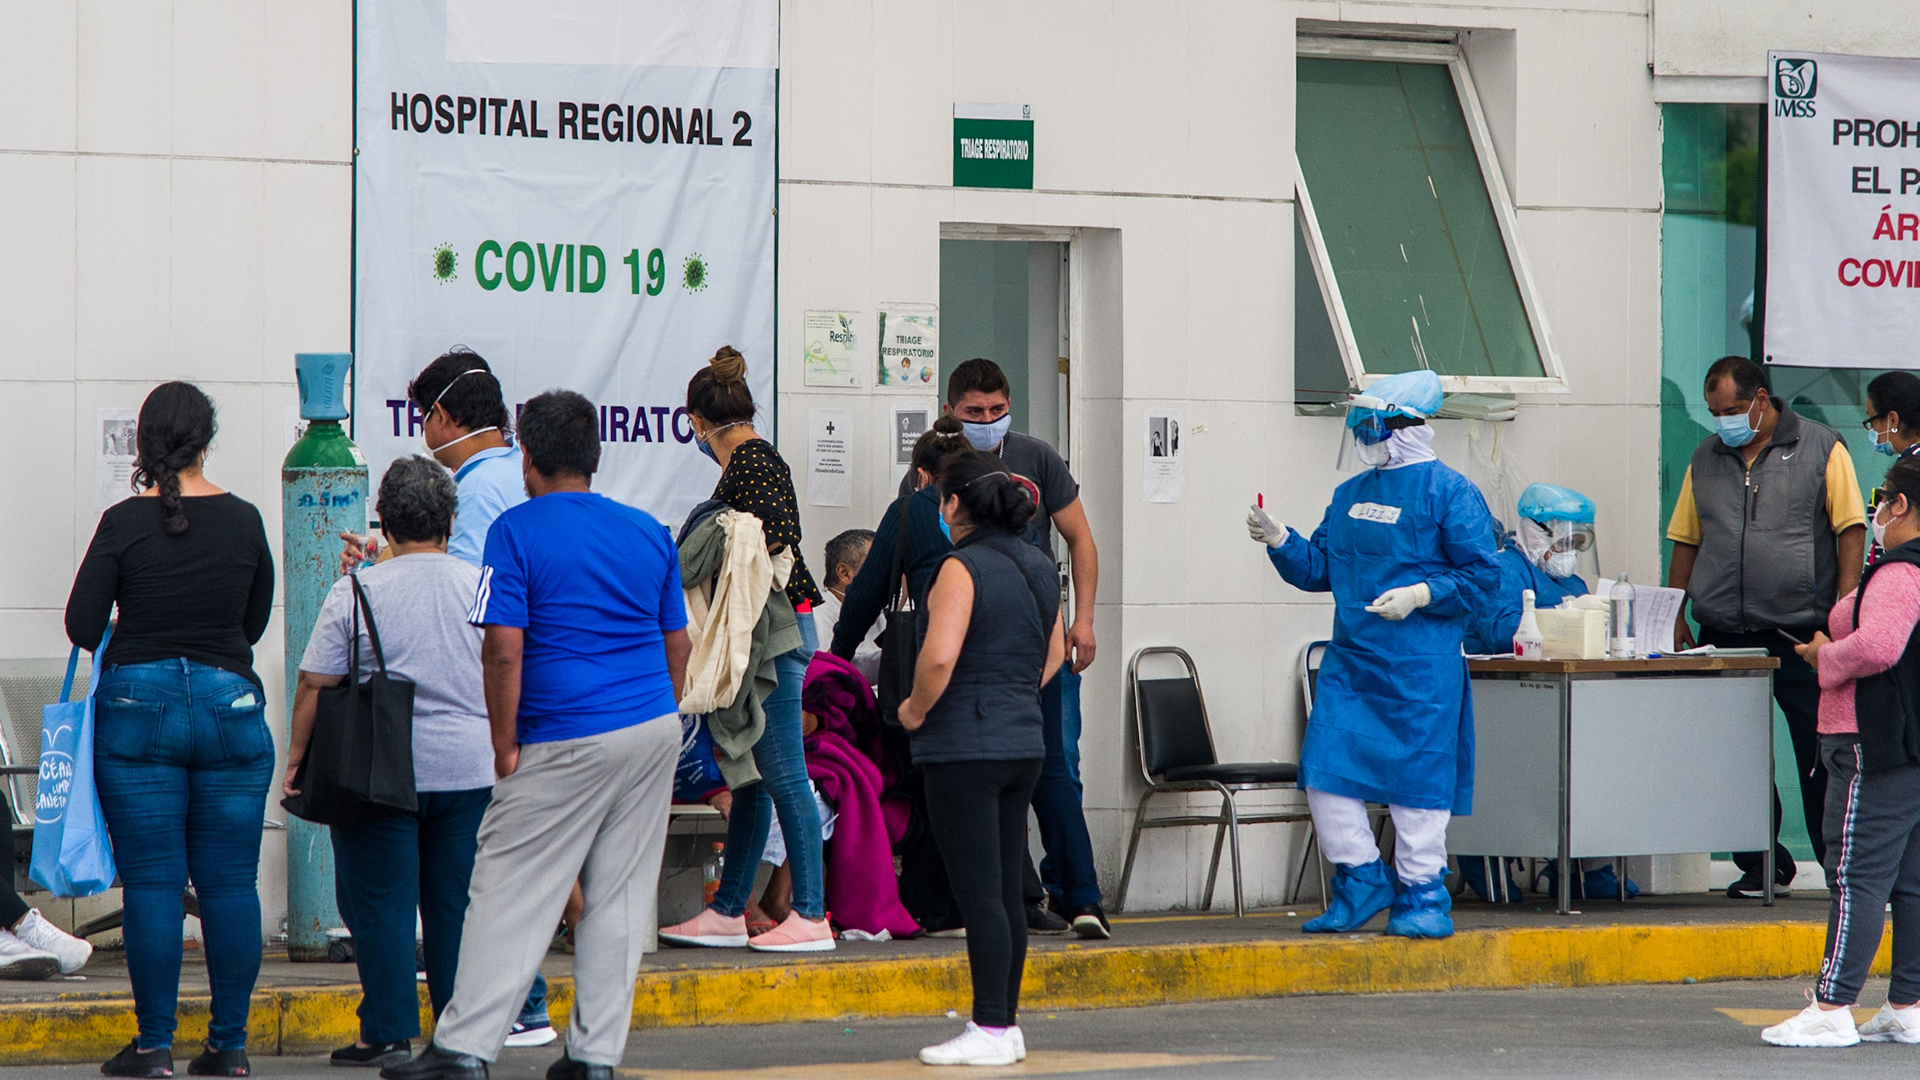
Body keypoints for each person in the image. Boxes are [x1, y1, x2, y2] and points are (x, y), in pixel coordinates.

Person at [382, 390, 689, 1080]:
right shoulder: (647, 531)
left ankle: (464, 1049)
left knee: (505, 886)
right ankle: (593, 1058)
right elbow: (678, 642)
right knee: (618, 896)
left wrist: (502, 741)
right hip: (650, 729)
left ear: (527, 457)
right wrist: (657, 713)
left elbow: (502, 649)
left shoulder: (514, 532)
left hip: (561, 733)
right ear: (593, 458)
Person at [336, 350, 554, 1045]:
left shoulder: (483, 484)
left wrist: (379, 566)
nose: (421, 431)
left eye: (422, 417)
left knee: (457, 888)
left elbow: (459, 588)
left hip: (476, 717)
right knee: (479, 876)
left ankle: (520, 1004)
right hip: (509, 703)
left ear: (447, 417)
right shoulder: (507, 473)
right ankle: (516, 1003)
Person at [65, 382, 275, 1078]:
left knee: (152, 885)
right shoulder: (245, 520)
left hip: (138, 714)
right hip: (230, 712)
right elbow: (251, 625)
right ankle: (229, 1046)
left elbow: (80, 626)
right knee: (230, 885)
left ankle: (155, 1047)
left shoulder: (122, 522)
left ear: (142, 445)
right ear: (206, 440)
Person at [1247, 369, 1500, 939]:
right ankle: (1361, 879)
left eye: (1369, 425)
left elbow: (1485, 578)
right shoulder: (1350, 495)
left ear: (1403, 426)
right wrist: (1282, 539)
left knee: (1417, 787)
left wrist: (1420, 595)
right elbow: (1320, 569)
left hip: (1420, 670)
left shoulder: (1450, 493)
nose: (1361, 437)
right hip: (1354, 665)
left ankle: (1422, 894)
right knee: (1325, 772)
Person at [287, 457, 496, 1069]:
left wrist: (297, 763)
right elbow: (508, 668)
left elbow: (314, 683)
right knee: (456, 906)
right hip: (470, 770)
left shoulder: (357, 591)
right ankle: (459, 1038)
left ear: (385, 519)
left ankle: (386, 1029)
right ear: (451, 522)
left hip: (379, 772)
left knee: (378, 903)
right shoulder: (481, 584)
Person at [905, 358, 1107, 939]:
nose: (988, 421)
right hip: (967, 646)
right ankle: (1014, 901)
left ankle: (1082, 896)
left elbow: (1081, 540)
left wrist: (1083, 621)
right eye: (974, 413)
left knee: (1055, 768)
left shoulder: (1036, 456)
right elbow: (916, 543)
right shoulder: (933, 466)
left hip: (1039, 633)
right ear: (951, 411)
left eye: (997, 411)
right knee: (993, 773)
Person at [1667, 355, 1866, 898]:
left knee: (1819, 755)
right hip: (1724, 631)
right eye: (1713, 412)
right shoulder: (1706, 457)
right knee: (1736, 757)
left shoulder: (1823, 447)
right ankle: (1761, 865)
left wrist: (1844, 615)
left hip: (1803, 634)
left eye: (1730, 410)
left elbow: (1850, 529)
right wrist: (1676, 613)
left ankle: (1840, 873)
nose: (1721, 422)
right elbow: (1687, 536)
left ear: (1761, 399)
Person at [658, 346, 834, 954]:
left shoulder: (753, 463)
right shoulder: (752, 462)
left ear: (698, 422)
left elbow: (773, 543)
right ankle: (730, 909)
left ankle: (810, 914)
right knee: (752, 774)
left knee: (784, 772)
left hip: (776, 635)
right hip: (775, 631)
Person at [898, 449, 1067, 1067]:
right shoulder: (1039, 564)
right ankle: (1006, 1023)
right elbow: (1055, 654)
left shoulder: (958, 568)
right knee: (1002, 891)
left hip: (964, 747)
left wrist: (914, 709)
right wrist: (1012, 691)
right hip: (1022, 741)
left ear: (953, 505)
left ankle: (990, 1027)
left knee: (978, 895)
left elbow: (939, 655)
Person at [1762, 457, 1920, 1047]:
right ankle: (1908, 1003)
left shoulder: (1901, 573)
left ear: (1899, 505)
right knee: (1908, 882)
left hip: (1869, 743)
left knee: (1855, 877)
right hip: (1906, 747)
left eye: (1882, 501)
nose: (1876, 513)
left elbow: (1877, 645)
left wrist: (1824, 657)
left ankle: (1833, 1005)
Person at [1456, 483, 1635, 903]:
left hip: (1562, 700)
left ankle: (1588, 866)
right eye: (1563, 539)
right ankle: (1483, 856)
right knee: (1534, 763)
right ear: (1537, 532)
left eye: (1578, 540)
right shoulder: (1503, 570)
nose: (1571, 549)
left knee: (1601, 757)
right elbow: (1502, 633)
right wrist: (1563, 622)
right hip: (1504, 701)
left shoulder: (1571, 580)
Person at [1864, 371, 1920, 563]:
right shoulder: (1906, 463)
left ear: (1893, 420)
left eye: (1871, 421)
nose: (1872, 431)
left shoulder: (1912, 470)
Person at [814, 529, 881, 684]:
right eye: (876, 566)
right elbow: (825, 674)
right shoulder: (818, 613)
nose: (884, 574)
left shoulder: (878, 611)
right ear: (844, 573)